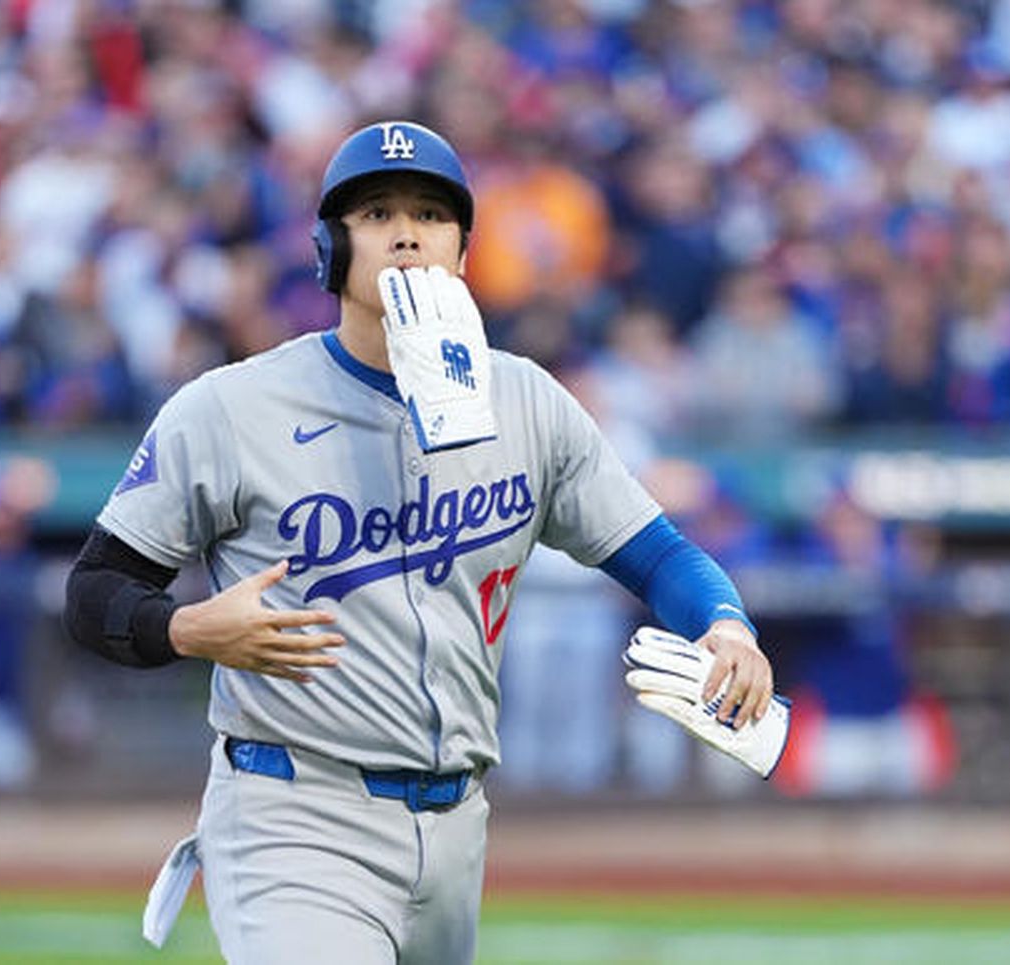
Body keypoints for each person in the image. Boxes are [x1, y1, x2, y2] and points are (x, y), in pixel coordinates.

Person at [63, 120, 774, 965]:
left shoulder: (527, 402)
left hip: (457, 824)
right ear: (330, 249)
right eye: (376, 213)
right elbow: (94, 591)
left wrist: (726, 624)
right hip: (293, 810)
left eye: (430, 215)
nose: (406, 233)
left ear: (463, 251)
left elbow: (658, 554)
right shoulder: (230, 409)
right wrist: (183, 629)